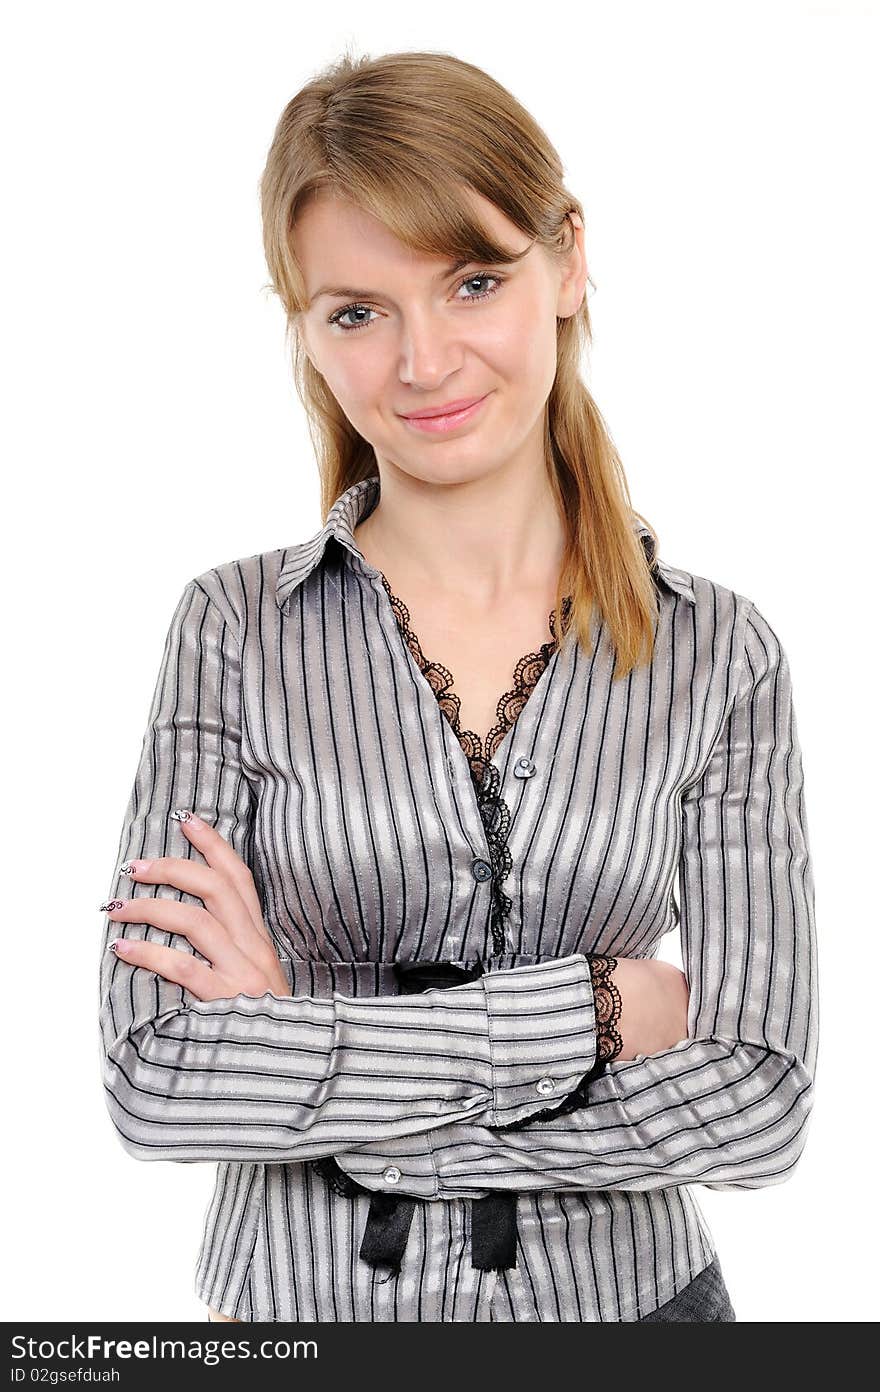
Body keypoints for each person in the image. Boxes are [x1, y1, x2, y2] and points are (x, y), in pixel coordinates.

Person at [97, 49, 817, 1324]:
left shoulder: (723, 653)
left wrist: (326, 1083)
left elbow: (757, 1102)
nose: (423, 364)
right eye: (357, 312)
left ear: (568, 263)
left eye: (472, 282)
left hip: (638, 1318)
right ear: (306, 331)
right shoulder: (230, 630)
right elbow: (159, 1077)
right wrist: (597, 1006)